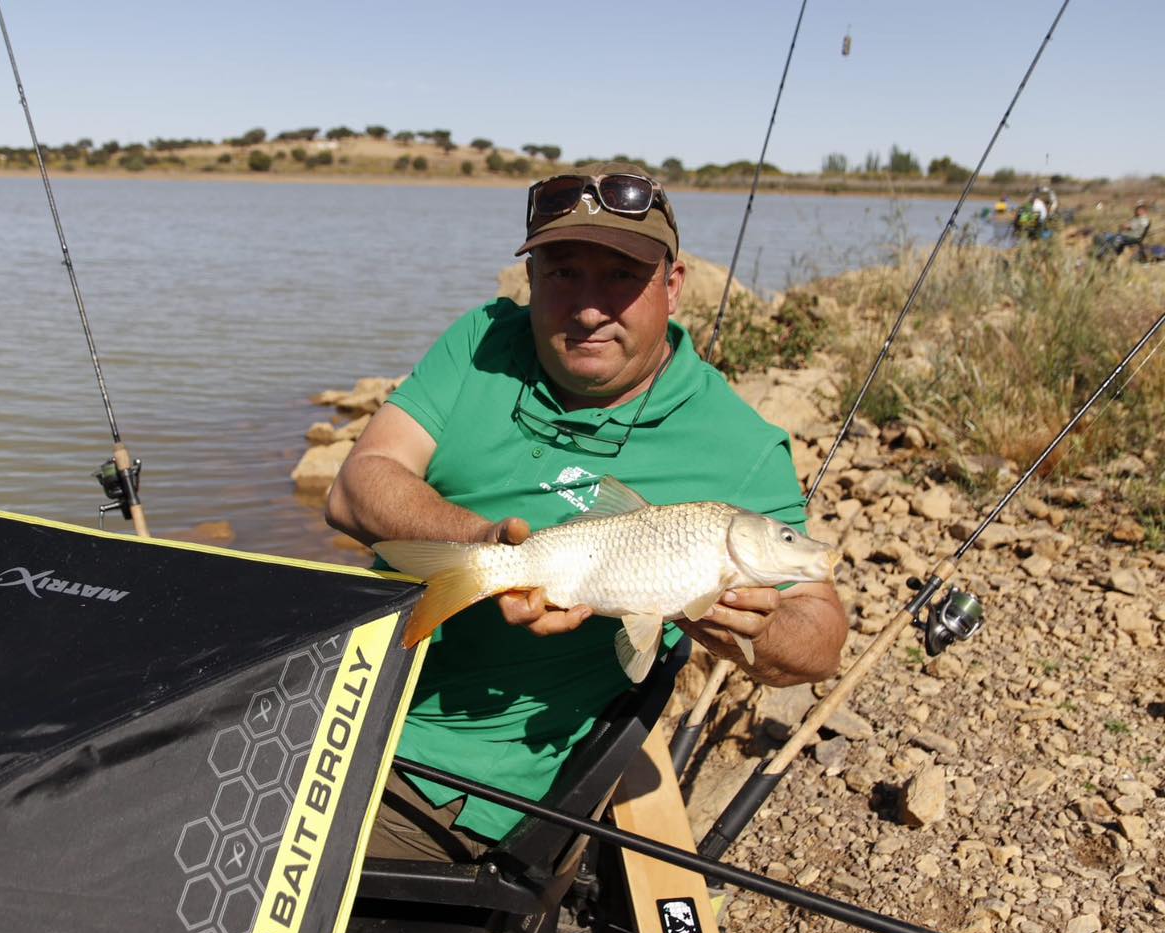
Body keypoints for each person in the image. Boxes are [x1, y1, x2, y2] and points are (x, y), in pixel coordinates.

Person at [326, 163, 848, 863]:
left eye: (621, 277)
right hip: (338, 696)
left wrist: (763, 625)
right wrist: (487, 548)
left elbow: (819, 643)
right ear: (531, 280)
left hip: (444, 779)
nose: (590, 307)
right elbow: (355, 485)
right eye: (564, 273)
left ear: (673, 285)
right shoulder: (483, 340)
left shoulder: (740, 449)